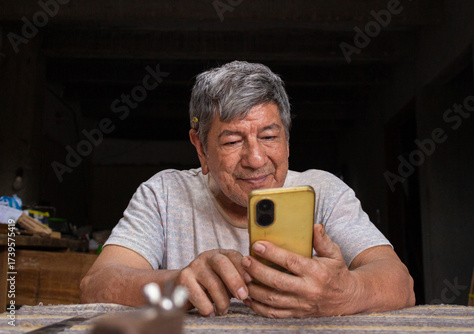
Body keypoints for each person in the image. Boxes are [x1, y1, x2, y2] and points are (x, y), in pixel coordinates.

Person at [80, 61, 415, 318]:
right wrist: (176, 285)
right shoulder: (163, 194)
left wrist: (347, 292)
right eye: (231, 140)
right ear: (200, 148)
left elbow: (400, 283)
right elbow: (96, 285)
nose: (255, 159)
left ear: (287, 136)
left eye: (269, 137)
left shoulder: (323, 190)